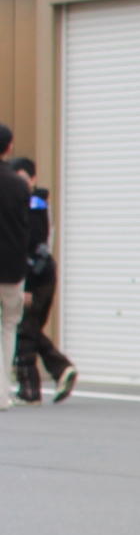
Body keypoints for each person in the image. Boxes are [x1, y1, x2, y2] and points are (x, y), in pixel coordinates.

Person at [10, 156, 73, 403]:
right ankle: (61, 369)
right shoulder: (36, 203)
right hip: (41, 273)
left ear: (33, 178)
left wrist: (28, 284)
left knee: (25, 330)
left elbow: (35, 245)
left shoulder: (35, 204)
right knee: (31, 328)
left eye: (24, 178)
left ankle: (30, 390)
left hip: (38, 275)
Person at [0, 128, 31, 413]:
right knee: (9, 327)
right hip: (11, 268)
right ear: (9, 148)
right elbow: (27, 231)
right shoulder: (20, 185)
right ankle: (2, 394)